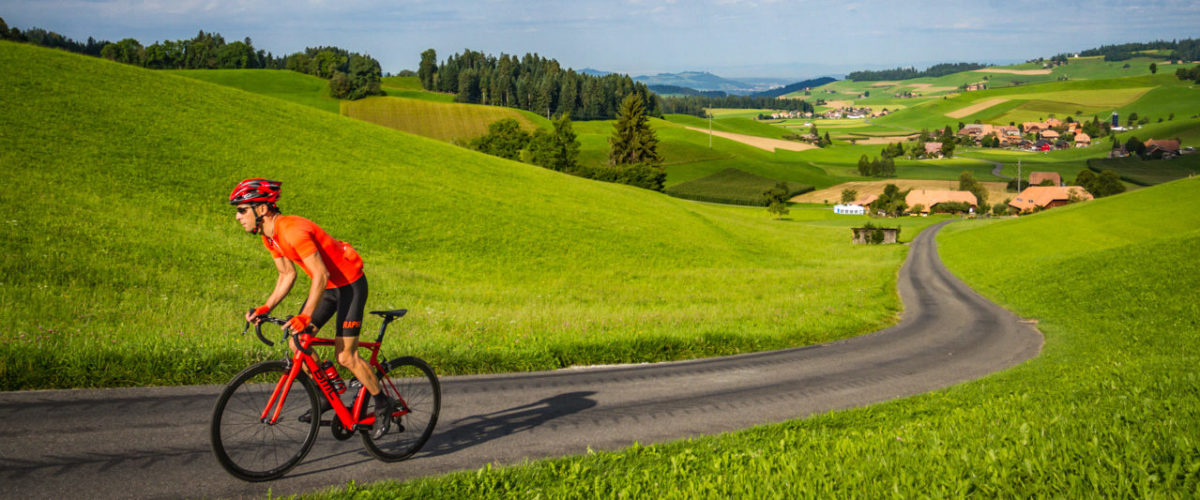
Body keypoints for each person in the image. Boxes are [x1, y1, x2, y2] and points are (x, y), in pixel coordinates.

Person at [229, 178, 393, 438]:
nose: (238, 216)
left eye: (242, 209)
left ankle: (383, 403)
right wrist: (266, 307)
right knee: (298, 343)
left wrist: (305, 316)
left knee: (345, 356)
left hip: (349, 286)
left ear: (261, 209)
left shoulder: (292, 230)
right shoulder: (269, 238)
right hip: (328, 288)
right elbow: (286, 275)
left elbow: (320, 274)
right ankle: (327, 393)